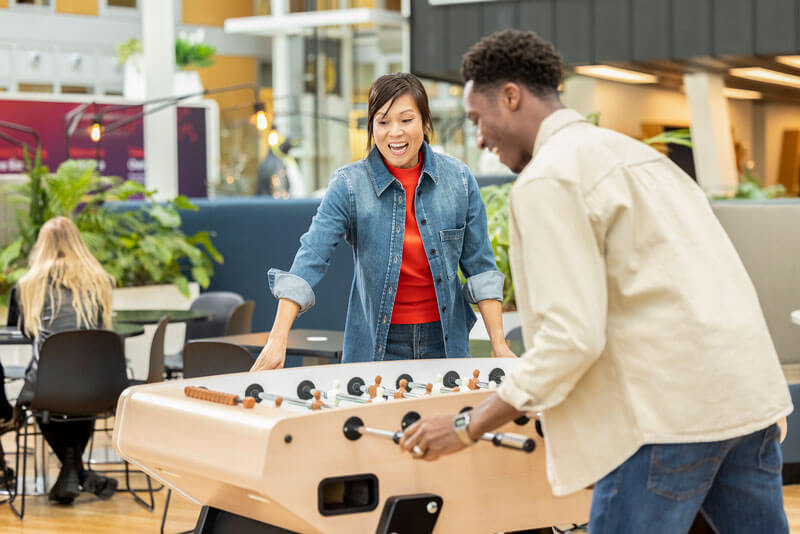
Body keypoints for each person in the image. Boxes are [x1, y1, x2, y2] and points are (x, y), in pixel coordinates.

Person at [399, 29, 793, 534]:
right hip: (746, 400)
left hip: (663, 421)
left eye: (478, 118)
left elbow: (570, 338)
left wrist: (467, 425)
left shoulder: (550, 179)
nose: (479, 138)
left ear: (512, 96)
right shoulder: (644, 160)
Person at [251, 72, 513, 370]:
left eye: (406, 120)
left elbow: (481, 267)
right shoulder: (349, 185)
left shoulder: (459, 180)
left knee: (446, 418)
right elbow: (311, 256)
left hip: (445, 342)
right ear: (372, 127)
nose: (395, 132)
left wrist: (499, 345)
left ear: (425, 124)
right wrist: (277, 339)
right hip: (376, 345)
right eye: (383, 121)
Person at [16, 216, 119, 504]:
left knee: (39, 395)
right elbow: (100, 328)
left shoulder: (29, 285)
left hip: (49, 385)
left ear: (42, 246)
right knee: (81, 402)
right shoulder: (99, 281)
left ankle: (73, 471)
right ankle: (78, 473)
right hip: (97, 385)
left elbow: (26, 331)